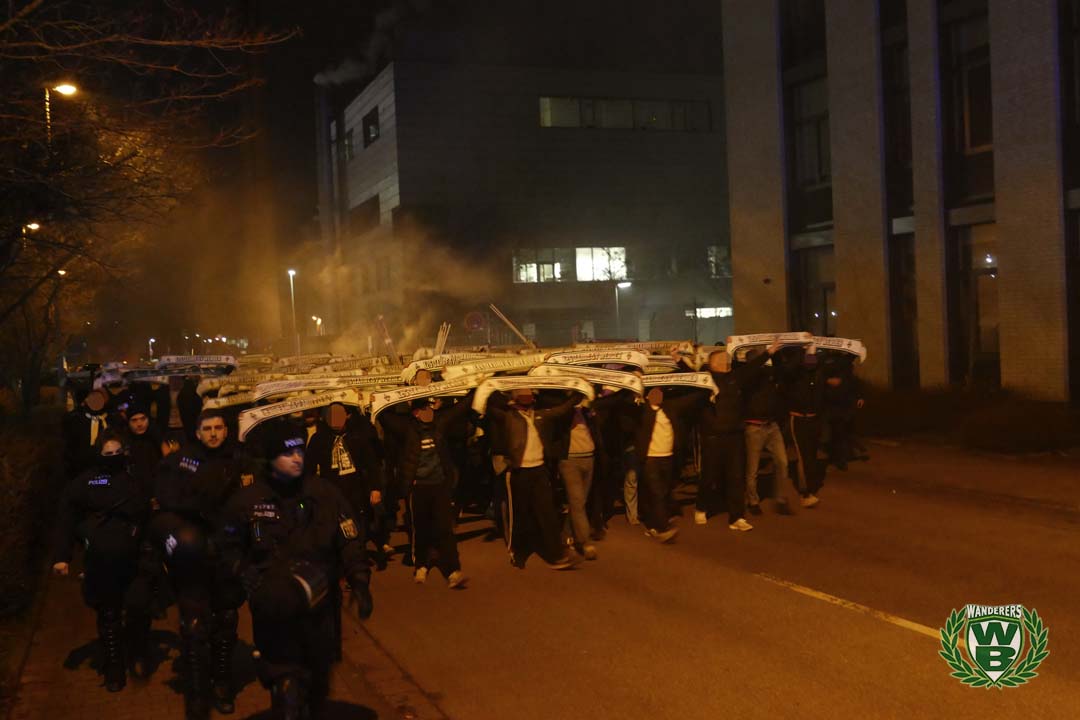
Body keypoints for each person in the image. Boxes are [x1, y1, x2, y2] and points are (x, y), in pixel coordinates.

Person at [220, 422, 373, 719]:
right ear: (271, 458)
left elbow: (349, 538)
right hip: (274, 605)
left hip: (320, 606)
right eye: (287, 453)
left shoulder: (324, 493)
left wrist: (360, 580)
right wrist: (243, 572)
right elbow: (226, 545)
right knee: (286, 686)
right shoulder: (248, 500)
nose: (296, 458)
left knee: (317, 686)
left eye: (300, 451)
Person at [150, 408, 249, 718]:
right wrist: (197, 508)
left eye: (218, 428)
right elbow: (166, 498)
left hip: (227, 552)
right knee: (194, 626)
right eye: (207, 429)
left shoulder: (240, 459)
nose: (214, 433)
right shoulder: (181, 461)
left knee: (226, 620)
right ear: (197, 432)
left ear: (226, 430)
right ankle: (196, 693)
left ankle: (222, 683)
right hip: (193, 553)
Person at [52, 432, 151, 692]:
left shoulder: (135, 477)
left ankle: (138, 654)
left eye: (118, 452)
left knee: (139, 607)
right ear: (99, 454)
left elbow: (150, 515)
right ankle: (114, 665)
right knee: (109, 613)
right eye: (108, 454)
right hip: (102, 560)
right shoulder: (87, 481)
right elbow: (66, 517)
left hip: (134, 557)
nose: (114, 457)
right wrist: (62, 555)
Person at [378, 395, 472, 587]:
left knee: (445, 529)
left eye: (430, 407)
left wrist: (475, 388)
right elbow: (385, 417)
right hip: (418, 487)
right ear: (415, 412)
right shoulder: (406, 428)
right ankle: (421, 565)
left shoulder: (439, 423)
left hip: (439, 484)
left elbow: (459, 410)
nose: (428, 411)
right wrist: (378, 399)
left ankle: (453, 570)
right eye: (424, 408)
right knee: (420, 529)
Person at [484, 388, 582, 569]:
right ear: (515, 400)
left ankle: (556, 555)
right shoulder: (509, 417)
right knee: (520, 516)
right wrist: (488, 388)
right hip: (519, 472)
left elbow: (561, 410)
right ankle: (518, 553)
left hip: (539, 470)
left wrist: (578, 392)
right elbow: (490, 408)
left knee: (548, 514)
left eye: (529, 397)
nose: (527, 401)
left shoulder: (540, 415)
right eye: (523, 398)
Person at [307, 404, 389, 569]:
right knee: (333, 528)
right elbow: (309, 467)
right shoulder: (319, 439)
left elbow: (371, 464)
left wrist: (376, 488)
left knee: (358, 527)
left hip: (355, 490)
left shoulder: (357, 437)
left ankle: (358, 562)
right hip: (331, 490)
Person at [628, 385, 704, 543]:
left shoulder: (670, 407)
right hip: (650, 458)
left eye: (659, 391)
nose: (658, 394)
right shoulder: (642, 411)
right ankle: (663, 528)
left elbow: (689, 400)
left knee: (664, 490)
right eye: (653, 392)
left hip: (668, 457)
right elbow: (624, 406)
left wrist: (706, 385)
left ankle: (654, 524)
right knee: (657, 493)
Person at [740, 339, 801, 515]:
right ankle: (753, 501)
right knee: (752, 469)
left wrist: (799, 350)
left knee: (782, 462)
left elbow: (784, 370)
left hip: (771, 425)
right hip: (754, 427)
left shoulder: (767, 374)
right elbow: (749, 373)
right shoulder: (746, 377)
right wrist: (768, 354)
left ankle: (780, 497)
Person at [695, 350, 753, 531]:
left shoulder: (734, 378)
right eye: (722, 359)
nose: (727, 361)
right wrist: (680, 360)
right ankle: (701, 507)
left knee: (736, 476)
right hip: (713, 437)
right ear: (713, 363)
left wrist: (769, 352)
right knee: (709, 475)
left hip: (734, 436)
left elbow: (752, 368)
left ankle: (737, 517)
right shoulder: (704, 380)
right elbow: (684, 380)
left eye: (727, 359)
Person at [780, 344, 826, 507]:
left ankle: (810, 487)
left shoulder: (814, 373)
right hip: (799, 418)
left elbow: (814, 366)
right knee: (803, 456)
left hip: (814, 418)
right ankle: (805, 493)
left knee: (811, 455)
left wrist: (811, 350)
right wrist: (803, 351)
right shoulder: (792, 375)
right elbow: (789, 370)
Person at [62, 388, 113, 478]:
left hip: (106, 467)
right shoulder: (75, 420)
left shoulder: (112, 419)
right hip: (80, 469)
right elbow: (69, 445)